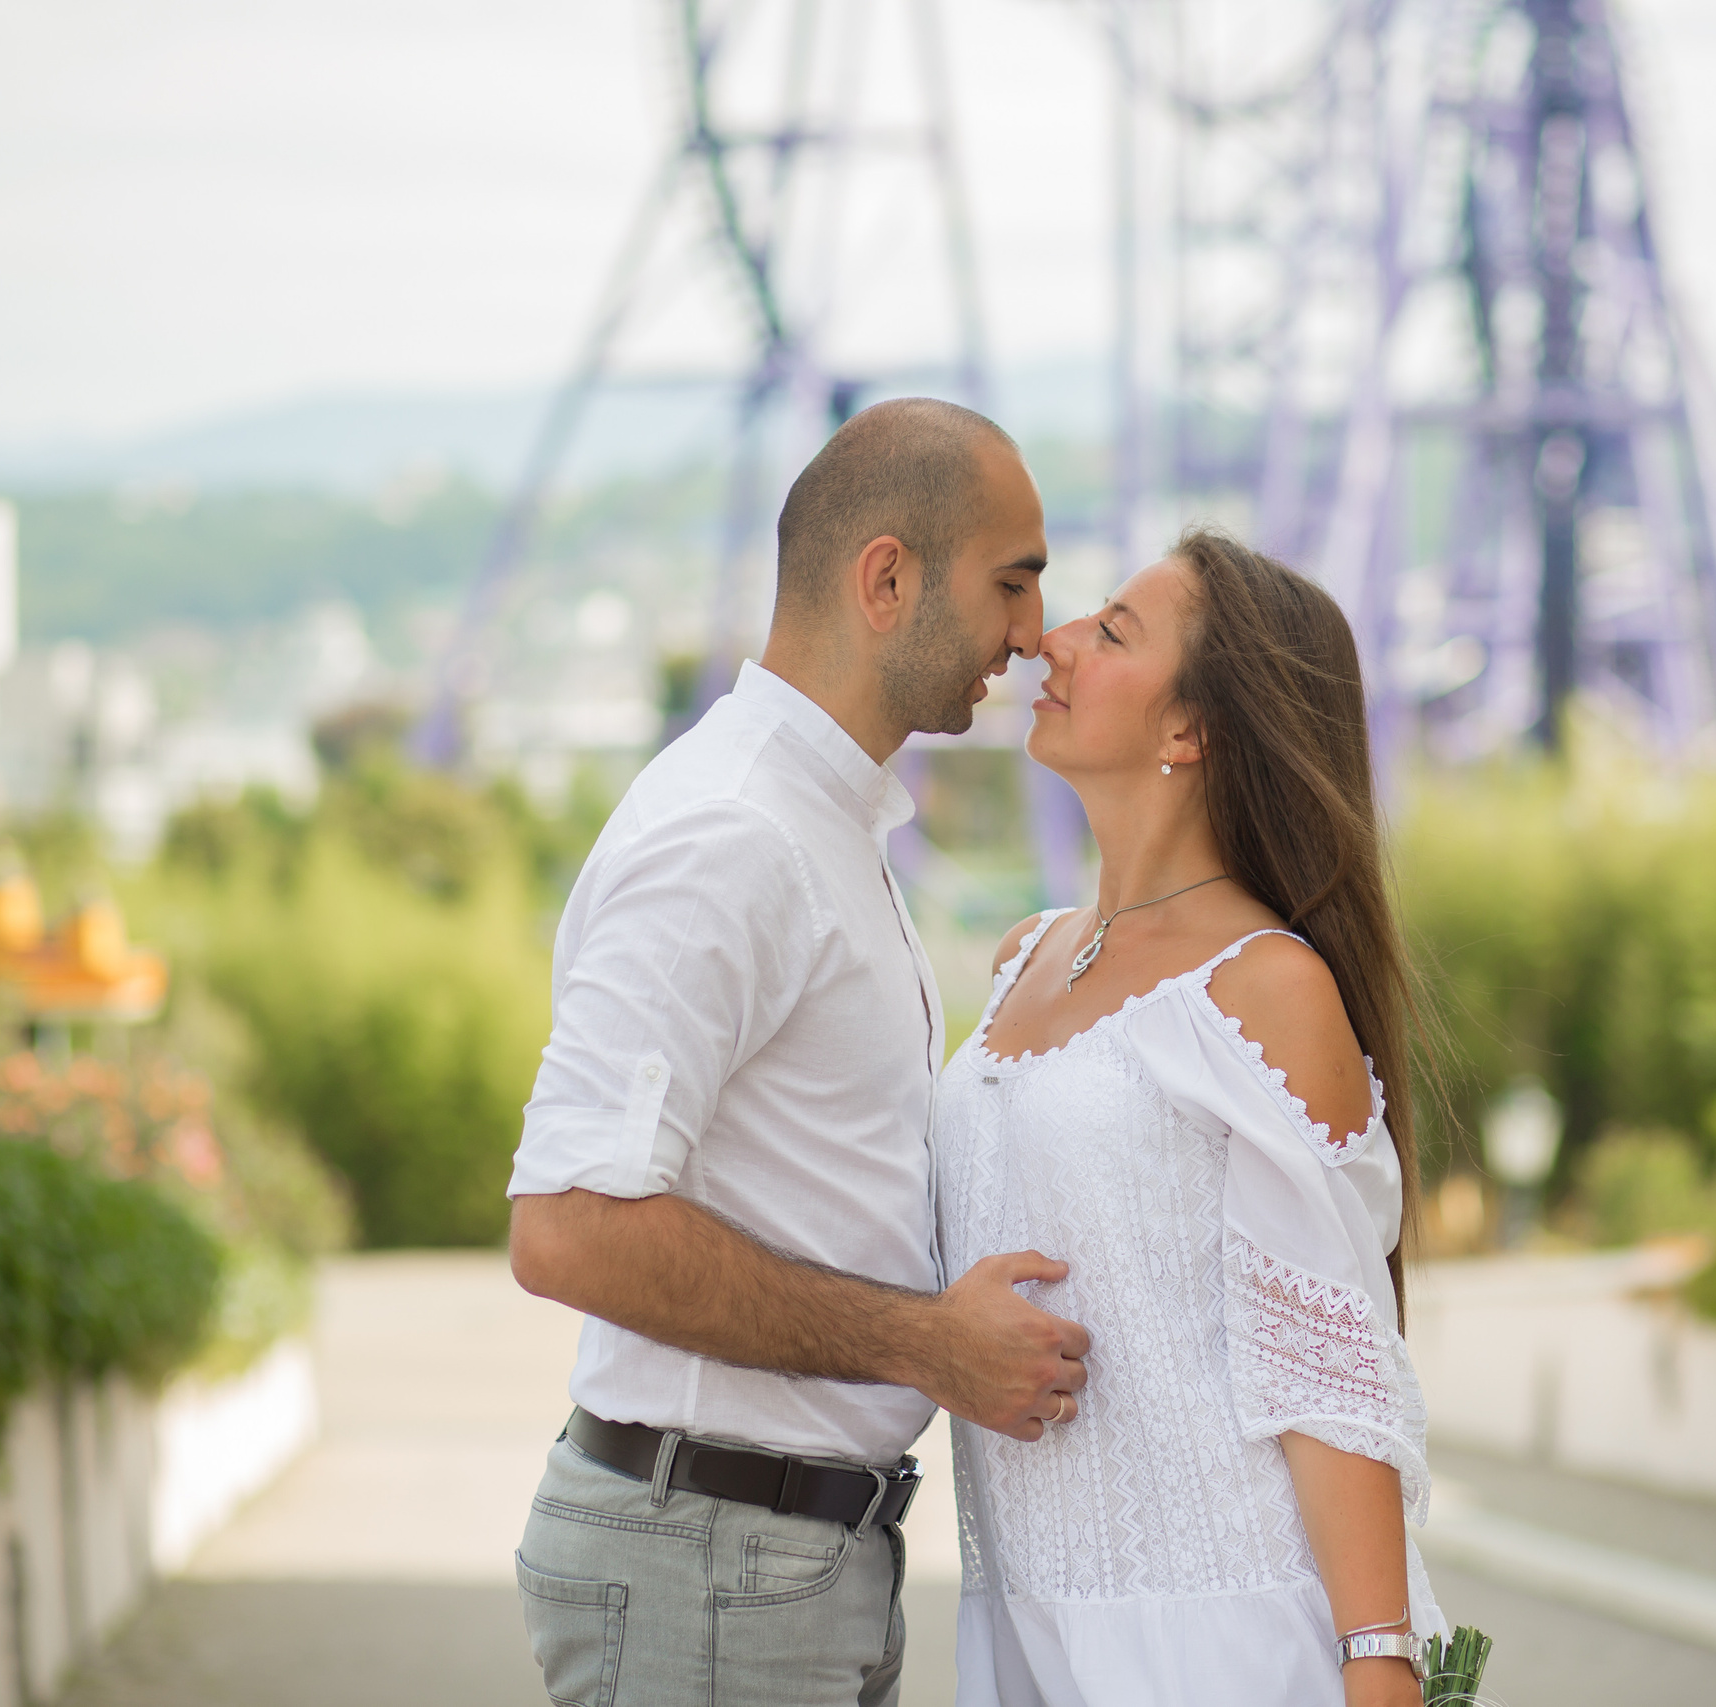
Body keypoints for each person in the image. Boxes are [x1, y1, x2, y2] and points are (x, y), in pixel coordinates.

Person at [506, 397, 1091, 1707]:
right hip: (709, 1560)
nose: (1031, 634)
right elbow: (568, 1227)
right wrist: (929, 1344)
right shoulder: (735, 833)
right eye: (1011, 582)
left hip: (768, 1559)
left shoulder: (814, 822)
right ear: (887, 578)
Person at [935, 525, 1440, 1706]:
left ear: (1189, 729)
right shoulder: (1022, 958)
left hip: (1220, 1640)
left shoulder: (1263, 987)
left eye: (1112, 632)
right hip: (1028, 1620)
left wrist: (1379, 1662)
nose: (1054, 640)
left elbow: (1325, 1370)